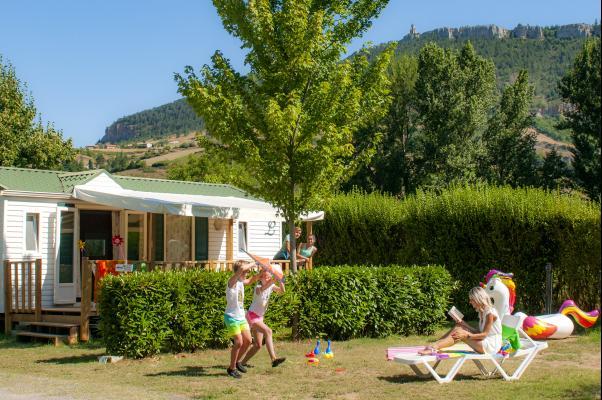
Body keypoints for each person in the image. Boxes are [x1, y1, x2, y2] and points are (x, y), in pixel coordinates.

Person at [418, 286, 502, 355]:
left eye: (471, 299)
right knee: (459, 326)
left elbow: (484, 335)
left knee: (460, 333)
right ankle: (435, 344)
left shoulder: (490, 313)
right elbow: (478, 332)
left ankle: (434, 347)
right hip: (484, 342)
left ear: (478, 299)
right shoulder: (482, 312)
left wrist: (466, 335)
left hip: (491, 346)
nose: (470, 302)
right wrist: (464, 324)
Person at [240, 266, 286, 368]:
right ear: (261, 277)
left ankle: (241, 363)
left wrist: (281, 281)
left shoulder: (271, 285)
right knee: (268, 331)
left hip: (259, 317)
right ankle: (274, 359)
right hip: (252, 316)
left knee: (258, 345)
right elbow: (263, 288)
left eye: (269, 276)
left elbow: (282, 291)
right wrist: (276, 277)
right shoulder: (258, 287)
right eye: (266, 276)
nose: (268, 278)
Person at [224, 260, 261, 378]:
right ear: (239, 271)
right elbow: (241, 269)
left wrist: (263, 272)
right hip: (231, 317)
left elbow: (250, 280)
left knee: (248, 341)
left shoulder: (240, 282)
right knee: (239, 342)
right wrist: (254, 263)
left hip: (241, 317)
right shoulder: (232, 281)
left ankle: (236, 362)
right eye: (246, 271)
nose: (247, 272)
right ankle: (232, 369)